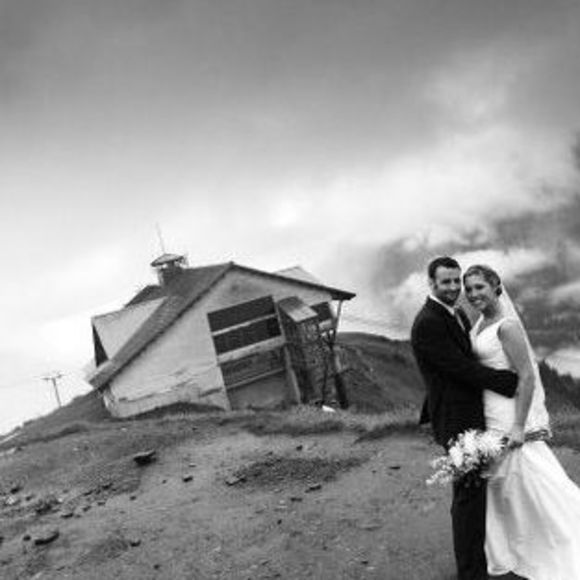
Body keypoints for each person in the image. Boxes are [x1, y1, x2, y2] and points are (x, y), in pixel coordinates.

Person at [464, 263, 580, 579]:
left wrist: (518, 426)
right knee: (503, 487)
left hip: (508, 414)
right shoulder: (481, 324)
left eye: (479, 287)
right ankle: (515, 548)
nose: (473, 294)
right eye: (469, 289)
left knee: (532, 480)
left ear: (496, 286)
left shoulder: (507, 326)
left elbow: (527, 376)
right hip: (489, 413)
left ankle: (560, 539)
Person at [411, 256, 518, 580]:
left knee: (473, 491)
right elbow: (458, 368)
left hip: (469, 414)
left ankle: (477, 563)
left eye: (457, 281)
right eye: (446, 281)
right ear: (431, 283)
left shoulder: (454, 312)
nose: (454, 287)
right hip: (456, 420)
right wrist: (503, 381)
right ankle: (471, 573)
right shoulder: (428, 322)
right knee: (468, 496)